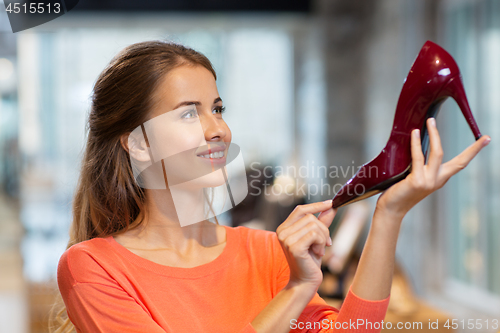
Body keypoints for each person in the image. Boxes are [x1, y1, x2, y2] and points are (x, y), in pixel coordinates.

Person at [52, 40, 490, 333]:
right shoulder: (95, 267)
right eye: (189, 113)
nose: (218, 129)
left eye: (217, 108)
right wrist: (297, 290)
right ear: (139, 143)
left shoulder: (264, 252)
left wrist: (390, 213)